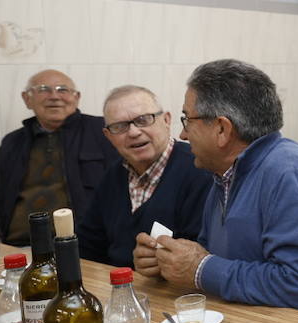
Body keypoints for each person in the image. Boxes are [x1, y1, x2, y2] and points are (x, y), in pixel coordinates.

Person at [133, 59, 298, 323]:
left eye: (188, 120)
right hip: (266, 319)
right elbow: (213, 258)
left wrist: (200, 268)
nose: (183, 134)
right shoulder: (224, 175)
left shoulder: (290, 174)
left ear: (222, 129)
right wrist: (169, 262)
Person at [0, 69, 118, 246]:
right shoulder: (13, 143)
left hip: (83, 249)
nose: (54, 96)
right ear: (27, 99)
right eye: (44, 89)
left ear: (76, 97)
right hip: (18, 249)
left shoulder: (105, 132)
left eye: (63, 89)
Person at [76, 85, 212, 267]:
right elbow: (88, 246)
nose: (133, 132)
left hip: (176, 291)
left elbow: (203, 252)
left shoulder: (200, 169)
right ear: (108, 136)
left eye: (143, 120)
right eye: (119, 126)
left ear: (166, 120)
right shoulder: (112, 176)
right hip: (117, 286)